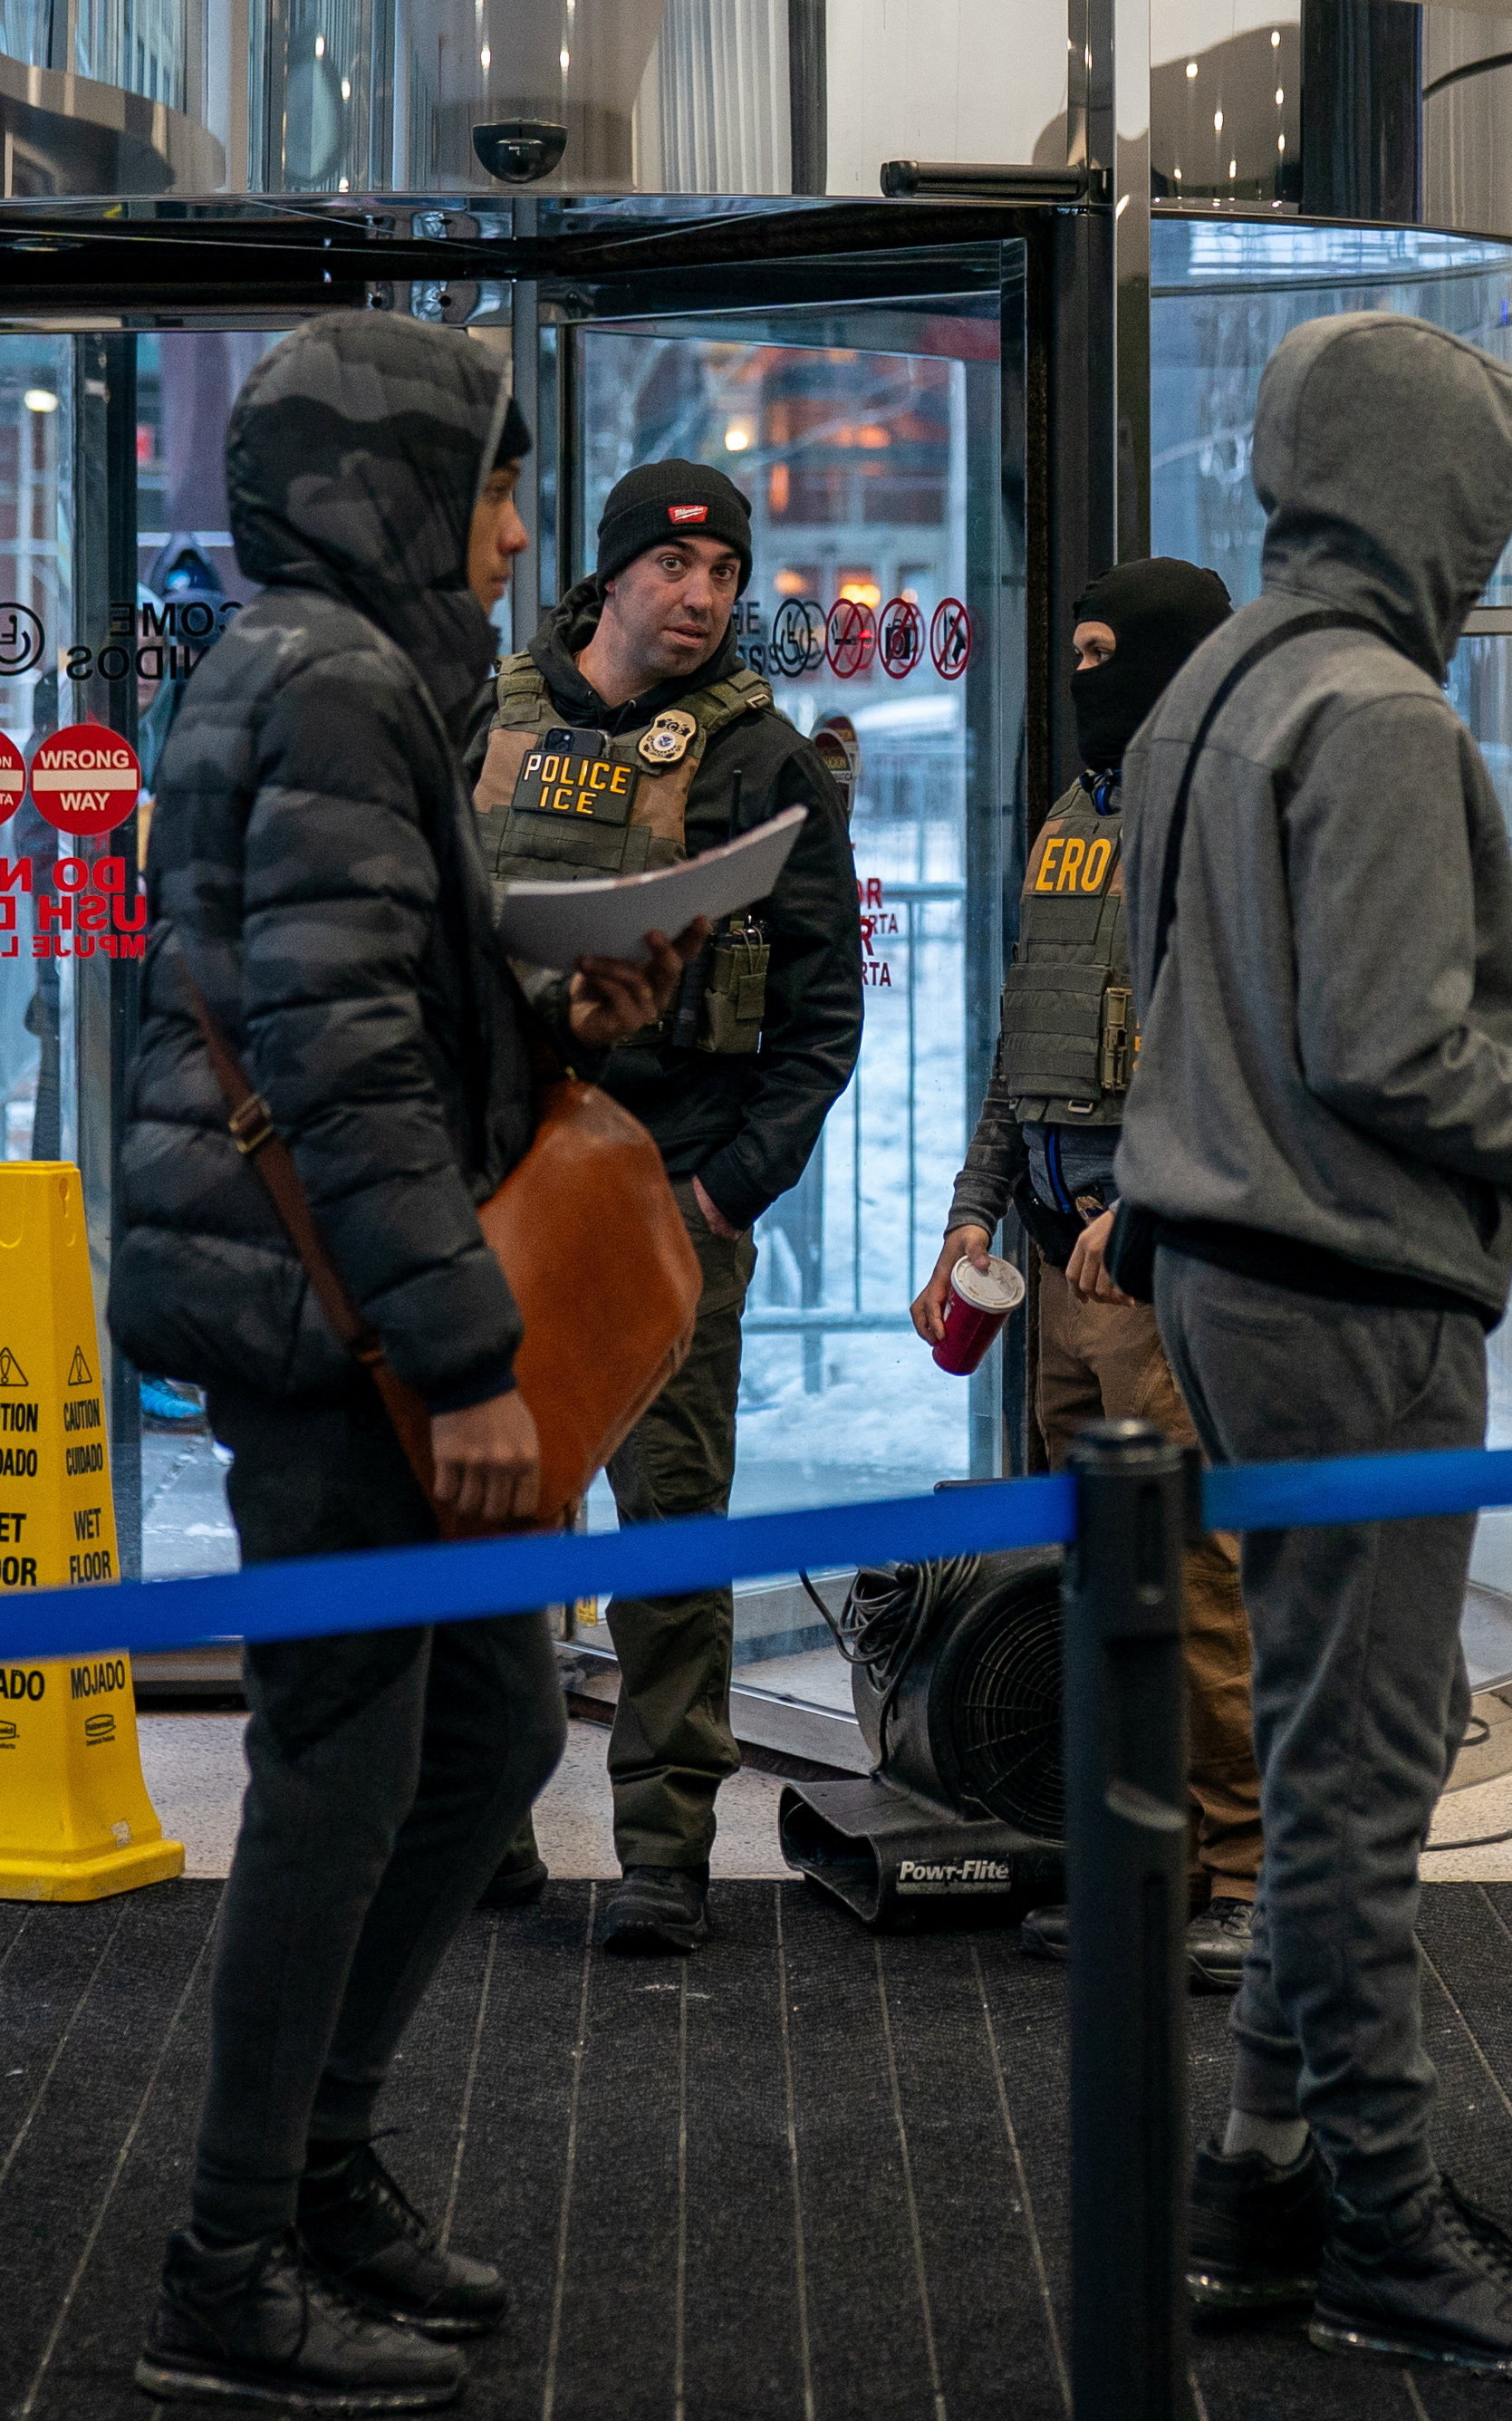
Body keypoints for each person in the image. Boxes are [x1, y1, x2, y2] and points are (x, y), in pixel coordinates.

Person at [1119, 313, 1512, 2381]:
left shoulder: (1215, 678)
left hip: (1226, 1272)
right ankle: (1385, 2218)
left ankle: (1260, 2178)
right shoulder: (1375, 712)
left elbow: (1243, 992)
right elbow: (1373, 1052)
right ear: (1427, 485)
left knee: (1313, 1751)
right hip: (1348, 1289)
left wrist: (1498, 1031)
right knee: (1360, 1779)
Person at [115, 311, 693, 2412]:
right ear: (393, 491)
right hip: (332, 1334)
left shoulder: (330, 673)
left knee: (472, 1737)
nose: (521, 527)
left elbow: (362, 997)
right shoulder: (339, 681)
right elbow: (338, 1058)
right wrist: (466, 1358)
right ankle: (228, 2257)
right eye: (496, 485)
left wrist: (552, 1012)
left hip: (329, 1304)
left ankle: (320, 2164)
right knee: (349, 1768)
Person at [465, 461, 864, 1953]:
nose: (700, 602)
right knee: (486, 1512)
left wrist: (723, 1189)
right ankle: (483, 1821)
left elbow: (824, 1014)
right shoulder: (491, 728)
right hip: (498, 1186)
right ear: (613, 572)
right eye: (674, 573)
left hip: (667, 1200)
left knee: (669, 1531)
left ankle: (665, 1850)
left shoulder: (765, 762)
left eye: (722, 578)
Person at [914, 555, 1263, 1989]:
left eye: (1112, 657)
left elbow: (1237, 1051)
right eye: (1078, 653)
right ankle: (1146, 1863)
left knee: (1196, 1585)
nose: (1084, 685)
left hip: (1163, 1271)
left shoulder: (1225, 825)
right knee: (1098, 1589)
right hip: (1059, 1273)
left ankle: (1241, 1874)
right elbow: (1027, 1040)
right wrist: (973, 1214)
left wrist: (1152, 1202)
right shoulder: (1078, 816)